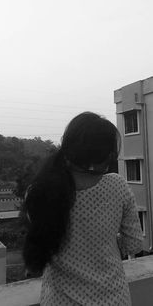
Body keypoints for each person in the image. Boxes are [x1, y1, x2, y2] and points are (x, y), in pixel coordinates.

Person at [23, 112, 143, 306]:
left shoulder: (40, 191)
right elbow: (134, 245)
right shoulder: (117, 186)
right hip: (113, 299)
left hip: (59, 300)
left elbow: (42, 238)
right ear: (106, 152)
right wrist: (105, 239)